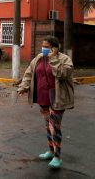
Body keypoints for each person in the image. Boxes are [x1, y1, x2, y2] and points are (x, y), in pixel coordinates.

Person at [17, 35, 74, 169]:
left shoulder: (64, 59)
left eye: (47, 47)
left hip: (57, 97)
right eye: (43, 46)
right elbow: (29, 74)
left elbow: (63, 73)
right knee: (48, 126)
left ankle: (57, 157)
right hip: (42, 97)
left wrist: (53, 59)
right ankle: (50, 151)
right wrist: (23, 87)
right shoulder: (38, 58)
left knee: (55, 126)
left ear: (54, 48)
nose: (44, 49)